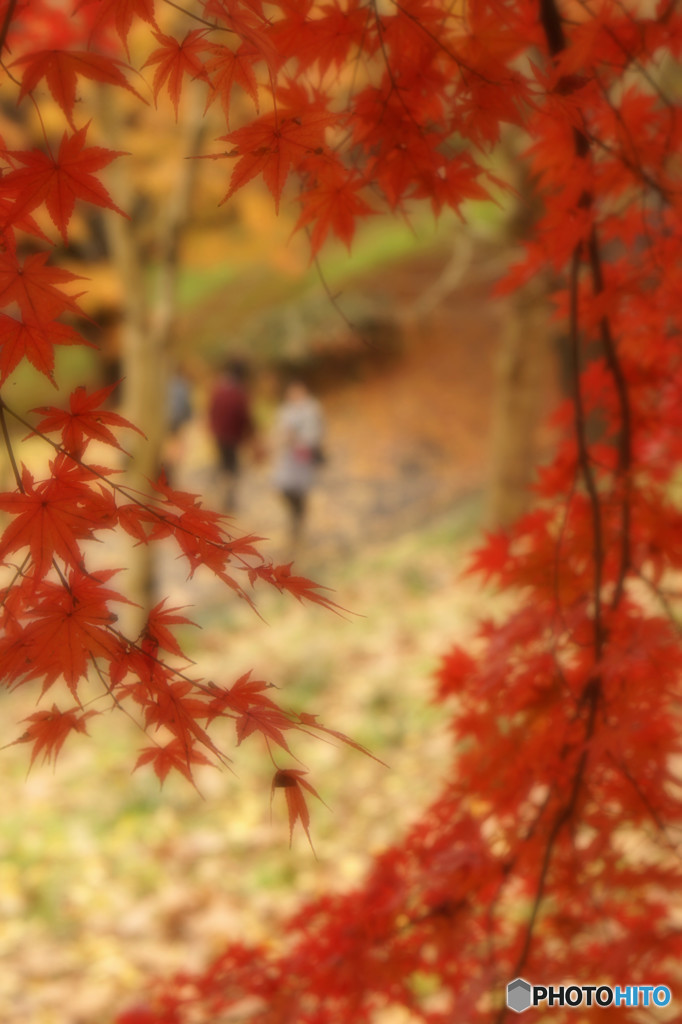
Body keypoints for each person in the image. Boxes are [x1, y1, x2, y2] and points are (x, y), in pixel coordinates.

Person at [272, 378, 325, 546]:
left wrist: (298, 439)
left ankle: (298, 524)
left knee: (301, 491)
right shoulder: (285, 410)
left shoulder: (312, 409)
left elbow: (316, 434)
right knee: (283, 487)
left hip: (303, 457)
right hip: (288, 458)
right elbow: (278, 431)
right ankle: (295, 517)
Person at [208, 359, 255, 511]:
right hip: (233, 435)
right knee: (232, 467)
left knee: (223, 464)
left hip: (219, 434)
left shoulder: (219, 388)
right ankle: (228, 497)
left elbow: (211, 409)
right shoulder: (240, 392)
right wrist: (251, 433)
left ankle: (222, 494)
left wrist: (212, 427)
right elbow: (245, 415)